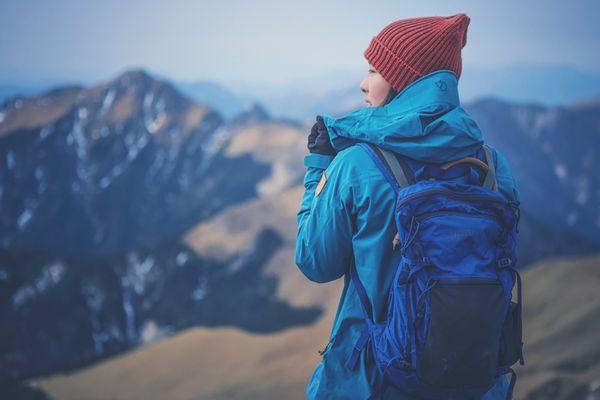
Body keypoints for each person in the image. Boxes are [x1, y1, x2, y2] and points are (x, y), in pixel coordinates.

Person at [295, 13, 520, 400]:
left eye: (373, 70)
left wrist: (318, 166)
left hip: (370, 382)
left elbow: (314, 260)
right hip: (476, 383)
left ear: (404, 80)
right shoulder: (492, 166)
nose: (363, 84)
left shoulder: (356, 165)